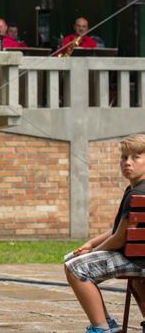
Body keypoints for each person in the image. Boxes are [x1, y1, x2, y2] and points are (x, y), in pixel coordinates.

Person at [64, 134, 145, 333]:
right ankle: (106, 322)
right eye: (124, 157)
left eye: (136, 157)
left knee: (75, 267)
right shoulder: (135, 190)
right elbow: (121, 229)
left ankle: (103, 327)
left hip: (138, 260)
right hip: (139, 256)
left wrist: (93, 252)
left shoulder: (137, 193)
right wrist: (91, 244)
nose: (127, 163)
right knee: (74, 259)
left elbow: (118, 238)